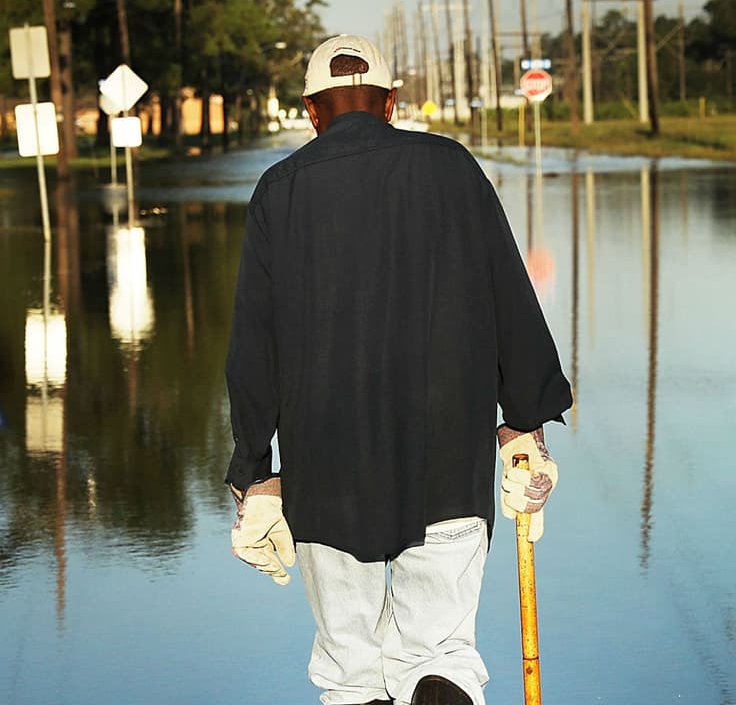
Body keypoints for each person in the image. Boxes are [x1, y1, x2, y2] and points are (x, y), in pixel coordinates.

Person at [225, 34, 572, 705]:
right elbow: (508, 294)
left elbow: (253, 346)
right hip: (446, 460)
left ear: (310, 111)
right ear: (392, 103)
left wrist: (255, 473)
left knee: (353, 674)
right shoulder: (453, 168)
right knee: (439, 654)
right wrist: (524, 423)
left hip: (326, 472)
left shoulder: (280, 191)